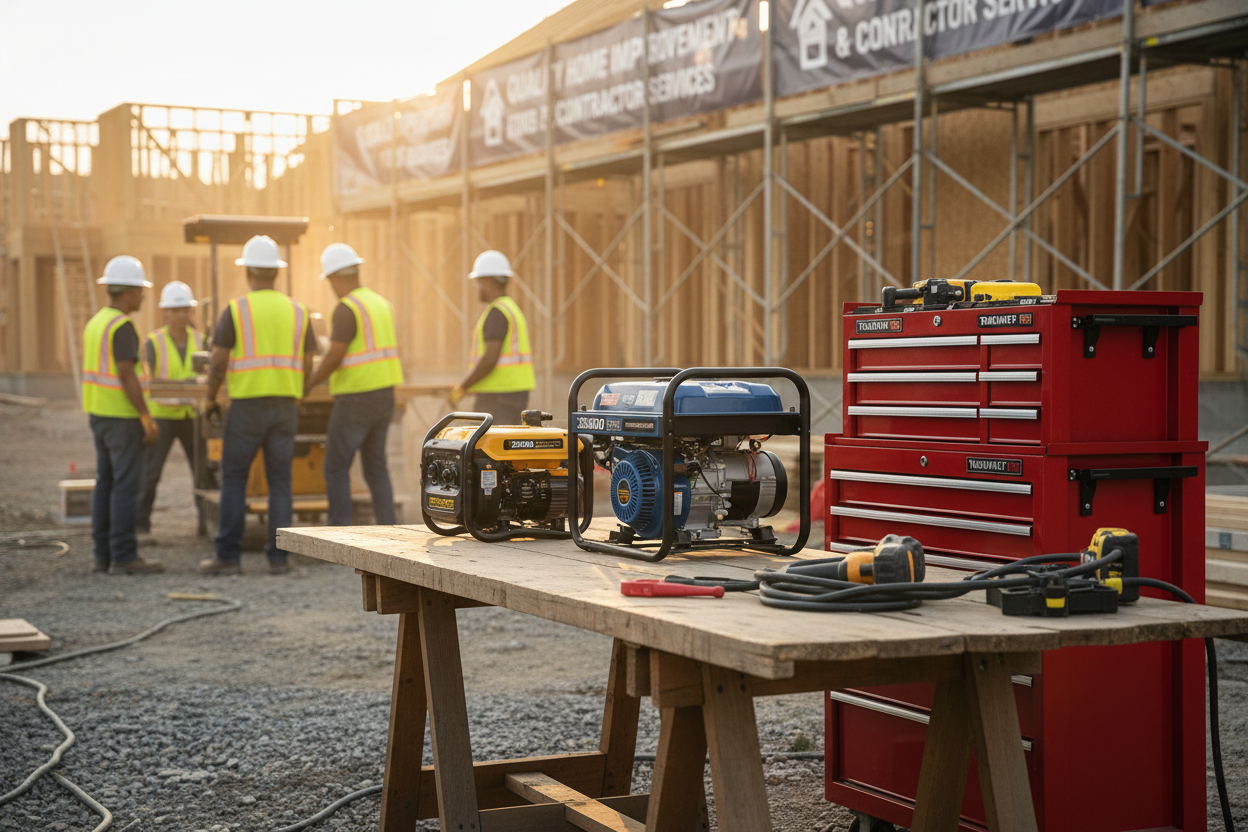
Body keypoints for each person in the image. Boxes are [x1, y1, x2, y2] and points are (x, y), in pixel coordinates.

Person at [199, 235, 317, 575]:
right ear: (277, 272)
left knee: (234, 480)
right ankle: (279, 560)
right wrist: (299, 390)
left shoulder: (237, 309)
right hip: (284, 407)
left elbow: (218, 360)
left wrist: (209, 398)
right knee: (280, 482)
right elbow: (309, 360)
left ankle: (228, 557)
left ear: (249, 270)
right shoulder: (298, 310)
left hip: (248, 407)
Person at [302, 243, 402, 526]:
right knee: (376, 468)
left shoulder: (347, 308)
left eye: (331, 280)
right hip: (384, 395)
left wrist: (309, 384)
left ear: (338, 277)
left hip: (356, 398)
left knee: (335, 467)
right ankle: (389, 528)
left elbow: (334, 354)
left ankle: (339, 534)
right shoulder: (381, 304)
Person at [82, 256, 164, 574]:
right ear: (127, 292)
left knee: (106, 484)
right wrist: (145, 416)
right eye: (140, 291)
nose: (143, 296)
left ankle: (103, 555)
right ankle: (125, 556)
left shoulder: (96, 322)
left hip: (99, 414)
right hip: (122, 417)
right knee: (126, 487)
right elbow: (127, 374)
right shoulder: (123, 326)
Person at [136, 281, 203, 537]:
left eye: (184, 309)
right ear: (165, 312)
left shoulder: (201, 340)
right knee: (150, 473)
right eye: (175, 310)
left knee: (202, 474)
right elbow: (146, 380)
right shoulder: (153, 343)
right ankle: (141, 524)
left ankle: (205, 524)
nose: (180, 315)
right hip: (163, 416)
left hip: (192, 416)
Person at [448, 251, 535, 425]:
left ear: (487, 282)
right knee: (506, 447)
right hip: (514, 393)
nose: (476, 288)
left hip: (498, 396)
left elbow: (489, 358)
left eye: (477, 282)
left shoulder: (497, 313)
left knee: (484, 447)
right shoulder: (512, 309)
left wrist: (462, 387)